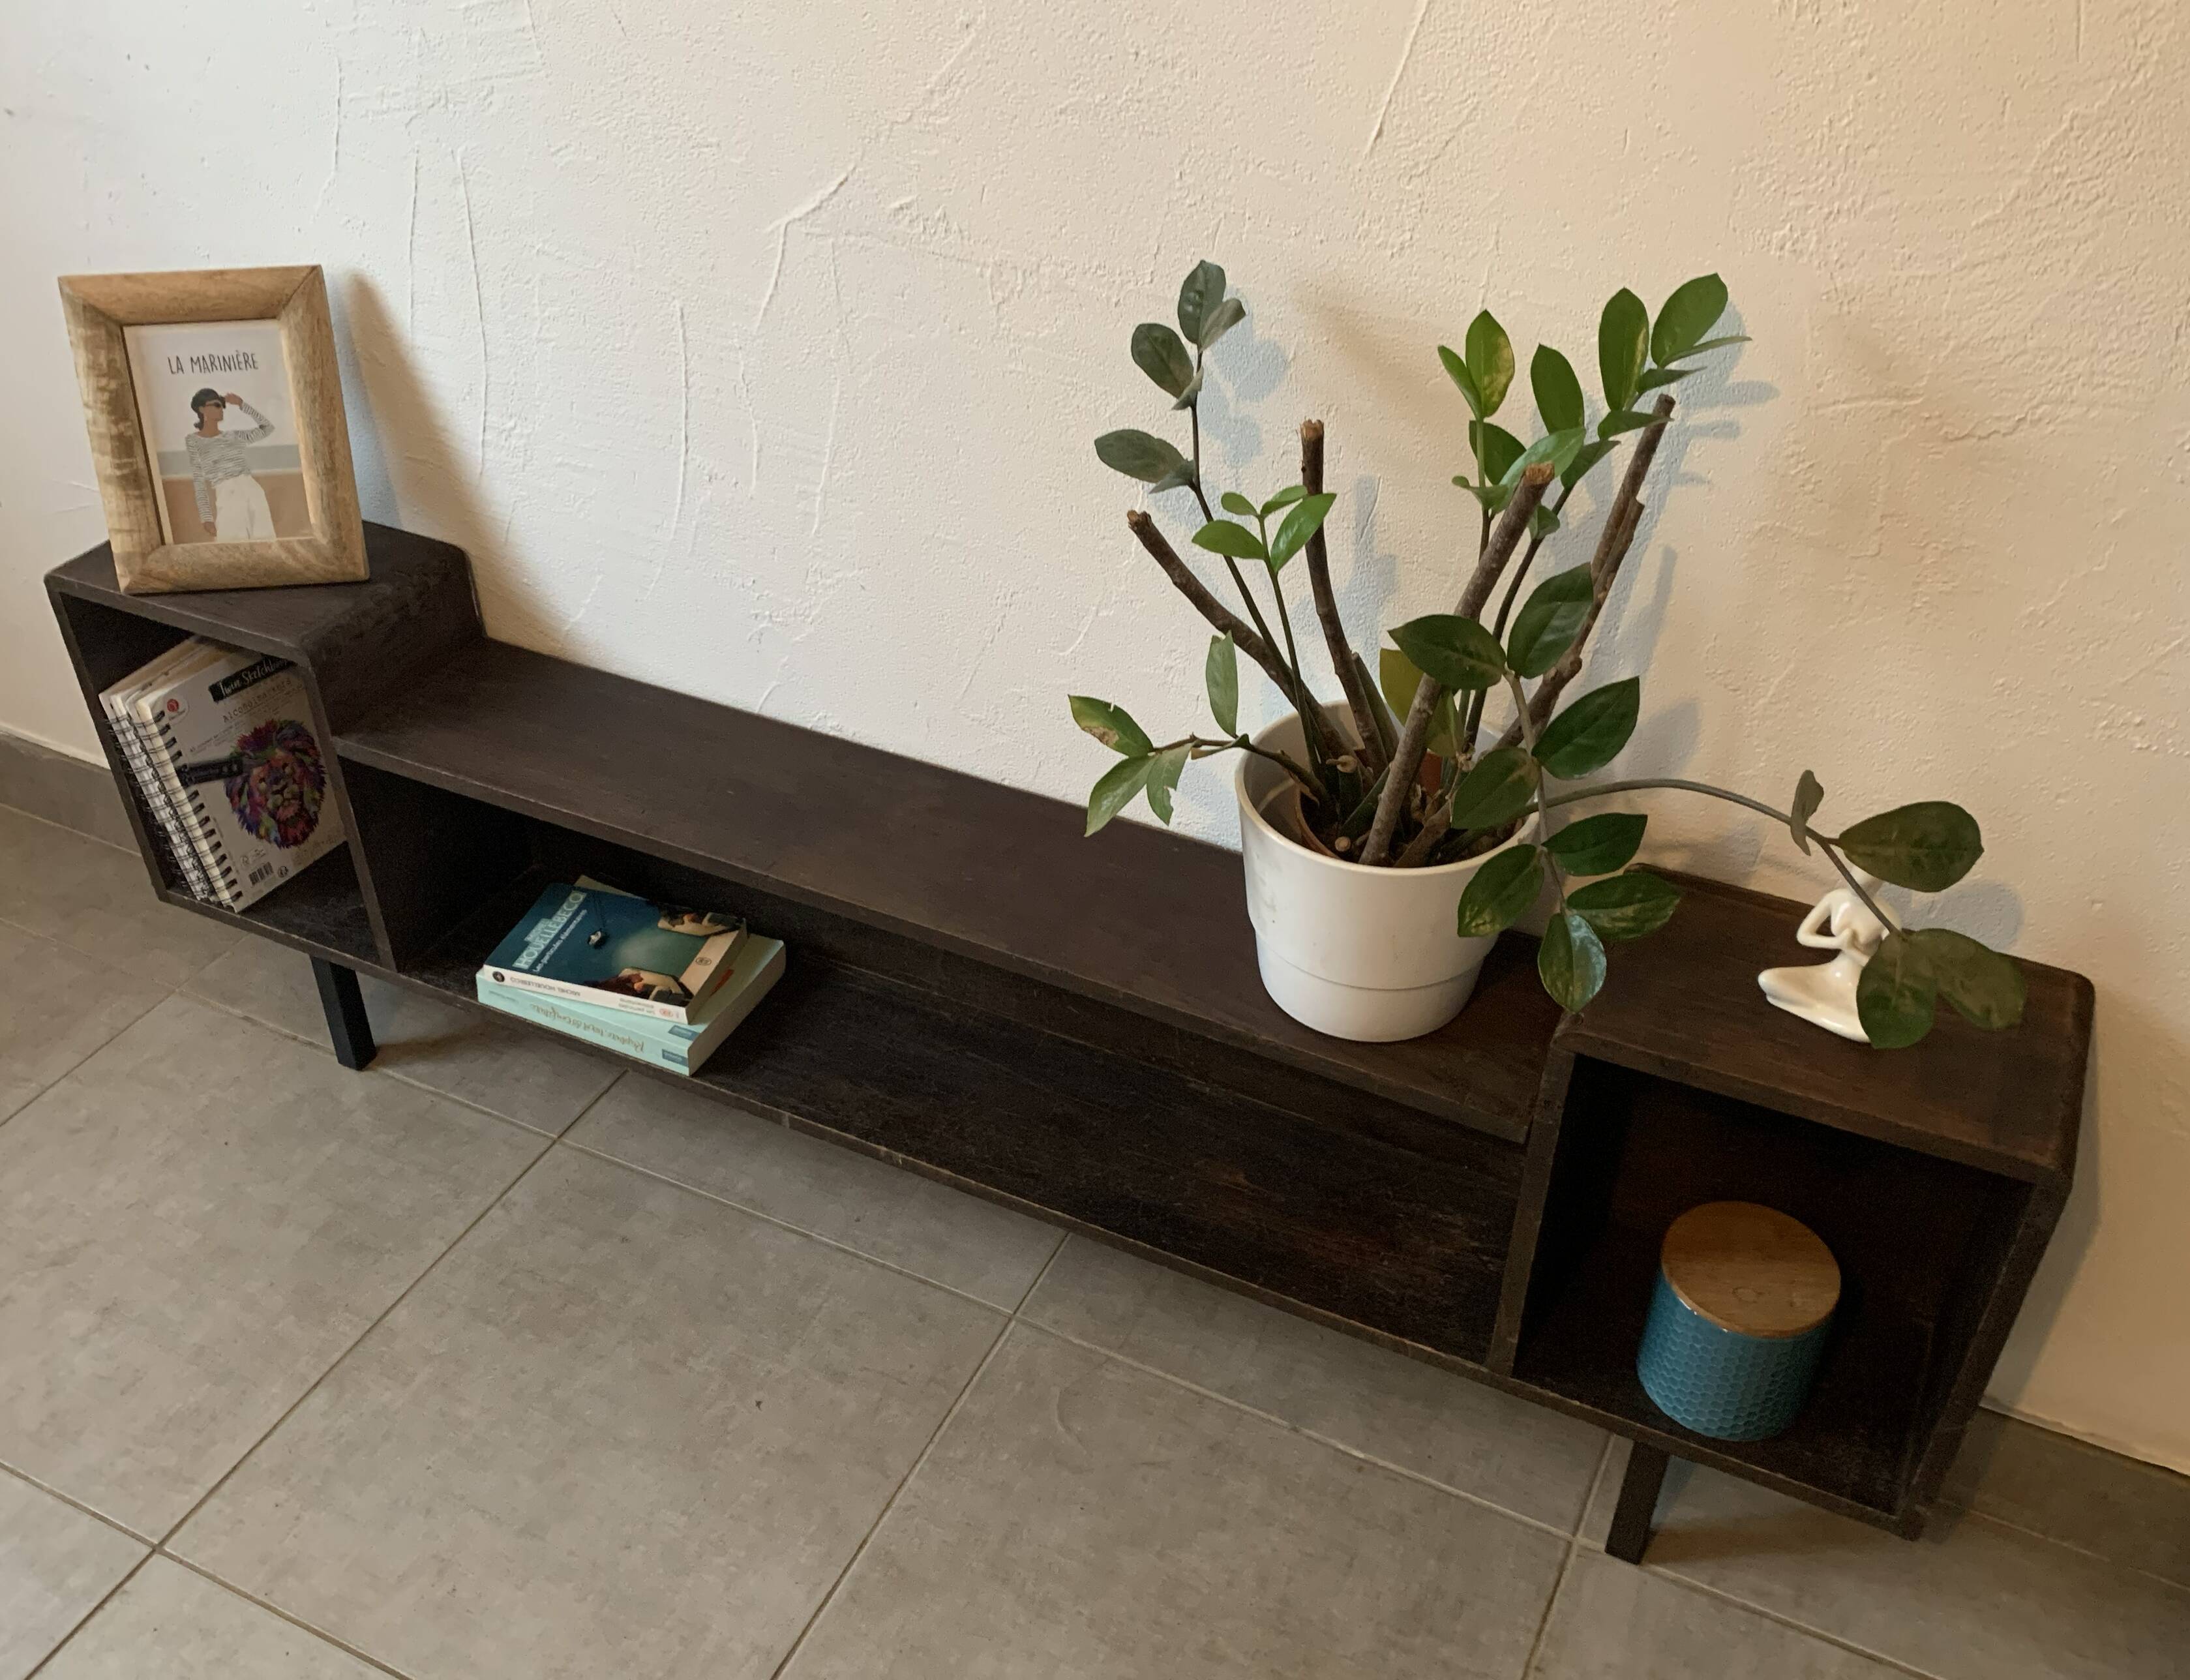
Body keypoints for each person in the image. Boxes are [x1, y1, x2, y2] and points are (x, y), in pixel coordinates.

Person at [184, 389, 277, 540]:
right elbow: (199, 480)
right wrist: (206, 517)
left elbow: (268, 428)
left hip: (252, 490)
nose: (221, 409)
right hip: (227, 494)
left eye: (222, 405)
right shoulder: (194, 441)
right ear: (202, 409)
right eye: (216, 405)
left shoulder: (234, 436)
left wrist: (241, 404)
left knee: (265, 543)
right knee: (232, 547)